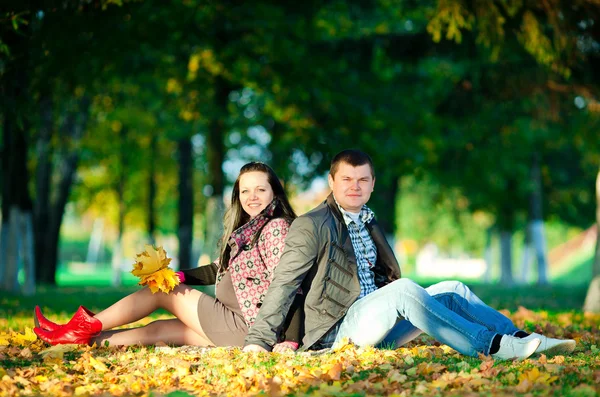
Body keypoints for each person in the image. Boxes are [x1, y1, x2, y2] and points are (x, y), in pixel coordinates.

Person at [243, 150, 576, 360]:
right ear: (332, 182)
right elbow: (284, 284)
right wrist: (259, 340)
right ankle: (492, 347)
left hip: (380, 321)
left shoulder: (368, 220)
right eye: (346, 179)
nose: (354, 186)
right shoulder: (312, 225)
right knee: (404, 291)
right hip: (337, 330)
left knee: (454, 289)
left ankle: (519, 337)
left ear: (372, 184)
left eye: (362, 180)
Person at [34, 162, 303, 351]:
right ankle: (74, 338)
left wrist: (289, 339)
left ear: (274, 193)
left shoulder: (276, 228)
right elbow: (219, 269)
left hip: (248, 326)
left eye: (260, 190)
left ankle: (78, 328)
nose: (251, 197)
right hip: (234, 322)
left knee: (163, 292)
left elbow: (289, 285)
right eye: (245, 191)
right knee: (159, 329)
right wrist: (182, 275)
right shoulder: (251, 229)